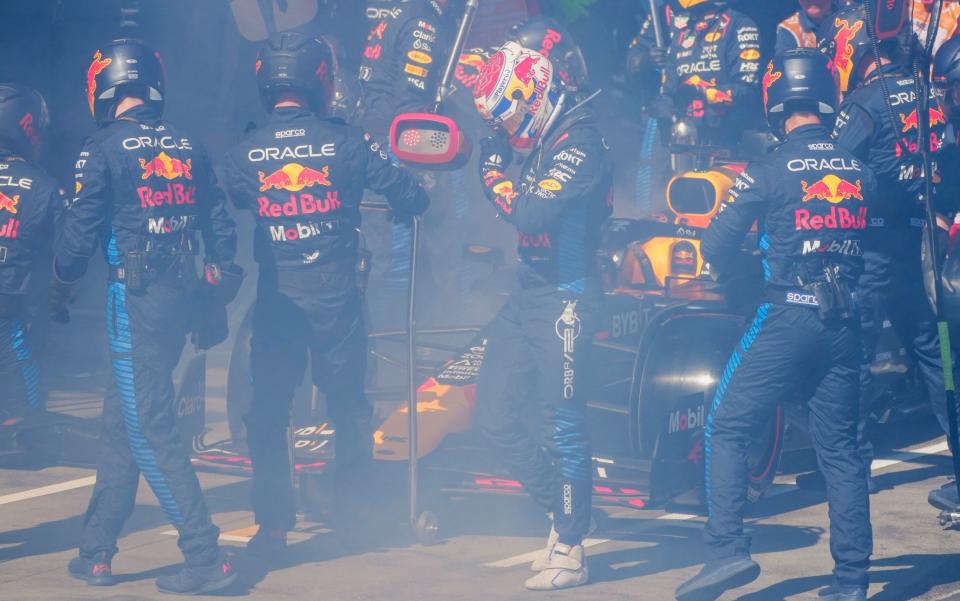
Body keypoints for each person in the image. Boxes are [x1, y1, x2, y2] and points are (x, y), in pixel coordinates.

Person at [676, 49, 876, 601]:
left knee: (727, 427)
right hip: (845, 321)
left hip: (785, 312)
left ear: (776, 105)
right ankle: (852, 585)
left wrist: (748, 281)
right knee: (841, 452)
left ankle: (726, 552)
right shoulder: (860, 171)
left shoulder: (765, 169)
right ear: (826, 101)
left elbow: (714, 245)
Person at [224, 32, 430, 555]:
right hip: (336, 298)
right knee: (348, 408)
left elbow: (230, 197)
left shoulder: (245, 151)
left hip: (278, 304)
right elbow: (410, 194)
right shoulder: (347, 142)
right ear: (319, 79)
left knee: (268, 412)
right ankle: (359, 519)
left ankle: (272, 525)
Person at [55, 39, 239, 595]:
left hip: (131, 303)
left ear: (101, 86)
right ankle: (96, 552)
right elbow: (220, 226)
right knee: (123, 421)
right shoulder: (188, 143)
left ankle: (204, 556)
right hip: (181, 297)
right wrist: (218, 289)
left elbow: (77, 237)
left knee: (149, 428)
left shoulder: (102, 147)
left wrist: (59, 291)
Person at [472, 40, 613, 590]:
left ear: (535, 97)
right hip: (527, 292)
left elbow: (529, 210)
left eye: (510, 121)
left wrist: (491, 172)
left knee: (564, 424)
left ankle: (573, 547)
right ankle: (566, 513)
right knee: (493, 418)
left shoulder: (580, 141)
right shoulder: (543, 137)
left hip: (568, 297)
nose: (508, 135)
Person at [822, 5, 952, 490]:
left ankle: (848, 470)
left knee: (853, 352)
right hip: (920, 245)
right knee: (936, 351)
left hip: (872, 249)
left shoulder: (864, 102)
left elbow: (831, 169)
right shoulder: (929, 94)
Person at [0, 84, 57, 420]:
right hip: (11, 298)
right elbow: (62, 249)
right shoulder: (42, 184)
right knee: (17, 351)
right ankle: (30, 421)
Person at [653, 0, 762, 148]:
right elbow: (667, 92)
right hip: (685, 140)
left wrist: (704, 92)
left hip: (728, 139)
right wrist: (664, 118)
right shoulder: (682, 33)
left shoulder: (739, 25)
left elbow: (747, 91)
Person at [357, 0, 456, 143]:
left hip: (371, 124)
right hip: (390, 134)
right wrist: (413, 144)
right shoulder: (422, 20)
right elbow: (409, 99)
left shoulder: (408, 9)